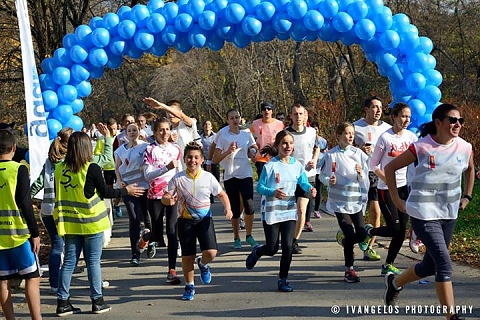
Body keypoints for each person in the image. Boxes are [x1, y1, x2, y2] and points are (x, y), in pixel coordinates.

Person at [383, 104, 474, 320]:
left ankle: (394, 282)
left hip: (449, 213)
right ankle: (451, 316)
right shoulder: (422, 147)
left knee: (430, 265)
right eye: (453, 120)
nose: (458, 124)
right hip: (423, 213)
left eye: (460, 121)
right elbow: (390, 168)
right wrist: (397, 200)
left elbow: (471, 169)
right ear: (438, 123)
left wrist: (467, 196)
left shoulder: (465, 147)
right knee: (443, 263)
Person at [54, 132, 144, 316]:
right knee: (93, 262)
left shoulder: (59, 168)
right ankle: (97, 301)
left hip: (69, 222)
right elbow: (104, 192)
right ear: (87, 148)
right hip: (91, 222)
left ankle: (62, 302)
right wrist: (125, 191)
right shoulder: (91, 168)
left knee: (69, 262)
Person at [31, 124, 114, 294]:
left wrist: (25, 198)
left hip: (47, 209)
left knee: (57, 246)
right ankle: (93, 287)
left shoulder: (51, 162)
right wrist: (107, 139)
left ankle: (55, 284)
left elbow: (39, 183)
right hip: (69, 212)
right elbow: (106, 159)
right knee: (88, 257)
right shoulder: (80, 162)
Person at [245, 130, 316, 292]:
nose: (288, 146)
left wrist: (311, 188)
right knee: (272, 249)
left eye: (291, 143)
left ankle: (283, 279)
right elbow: (260, 187)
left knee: (288, 246)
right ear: (278, 145)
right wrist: (273, 192)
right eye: (284, 143)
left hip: (289, 211)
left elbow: (303, 183)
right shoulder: (270, 165)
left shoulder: (297, 165)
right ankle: (258, 251)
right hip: (272, 212)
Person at [162, 142, 233, 300]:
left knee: (211, 253)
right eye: (189, 157)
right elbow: (166, 197)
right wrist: (169, 200)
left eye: (196, 157)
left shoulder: (208, 177)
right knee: (188, 256)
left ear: (201, 159)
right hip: (185, 221)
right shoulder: (177, 178)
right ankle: (189, 286)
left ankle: (203, 264)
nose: (192, 160)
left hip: (204, 220)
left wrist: (228, 209)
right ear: (184, 159)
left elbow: (222, 194)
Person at [368, 102, 418, 276]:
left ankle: (388, 263)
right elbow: (373, 164)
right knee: (394, 228)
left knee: (400, 231)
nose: (406, 120)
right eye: (403, 116)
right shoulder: (385, 138)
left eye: (409, 117)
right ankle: (370, 231)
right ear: (394, 116)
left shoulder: (412, 138)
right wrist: (387, 180)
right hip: (386, 189)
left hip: (405, 187)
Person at [320, 122, 370, 283]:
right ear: (339, 135)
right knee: (350, 233)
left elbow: (366, 178)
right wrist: (329, 181)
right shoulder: (331, 155)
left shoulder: (359, 154)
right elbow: (321, 176)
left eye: (352, 134)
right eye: (347, 133)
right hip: (339, 203)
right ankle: (349, 270)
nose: (350, 137)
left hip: (355, 201)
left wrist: (361, 173)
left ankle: (345, 241)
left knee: (361, 235)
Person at [0, 130, 42, 320]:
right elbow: (25, 203)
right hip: (19, 236)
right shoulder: (19, 169)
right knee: (32, 278)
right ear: (14, 148)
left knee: (3, 282)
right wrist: (35, 233)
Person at [140, 117, 182, 284]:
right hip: (155, 196)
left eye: (167, 129)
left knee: (172, 231)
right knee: (157, 234)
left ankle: (172, 270)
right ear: (155, 132)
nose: (165, 133)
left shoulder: (176, 149)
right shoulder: (150, 150)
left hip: (172, 195)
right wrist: (166, 168)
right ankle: (146, 237)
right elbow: (147, 175)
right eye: (161, 130)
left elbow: (180, 173)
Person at [212, 109, 258, 249]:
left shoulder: (246, 133)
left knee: (249, 205)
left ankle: (249, 235)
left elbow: (254, 147)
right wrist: (228, 151)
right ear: (227, 120)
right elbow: (215, 159)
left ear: (241, 119)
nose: (235, 120)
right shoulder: (223, 135)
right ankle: (236, 237)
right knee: (235, 208)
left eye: (237, 117)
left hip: (245, 172)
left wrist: (253, 152)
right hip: (230, 174)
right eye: (232, 118)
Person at [353, 96, 391, 261]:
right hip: (359, 174)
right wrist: (359, 149)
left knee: (376, 211)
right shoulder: (355, 127)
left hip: (378, 174)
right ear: (366, 109)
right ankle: (352, 237)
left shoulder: (388, 129)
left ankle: (369, 247)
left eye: (380, 107)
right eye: (375, 107)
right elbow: (344, 148)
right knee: (357, 212)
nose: (378, 110)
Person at [114, 123, 150, 266]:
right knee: (134, 218)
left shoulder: (145, 146)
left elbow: (153, 159)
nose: (132, 133)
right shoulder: (120, 150)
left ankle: (149, 240)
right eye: (129, 130)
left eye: (134, 130)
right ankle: (135, 254)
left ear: (139, 132)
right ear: (125, 133)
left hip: (144, 186)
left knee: (147, 218)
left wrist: (146, 166)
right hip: (128, 187)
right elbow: (116, 168)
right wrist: (119, 181)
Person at [286, 104, 319, 253]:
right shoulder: (285, 133)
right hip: (289, 177)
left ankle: (294, 241)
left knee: (301, 209)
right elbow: (278, 152)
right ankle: (286, 236)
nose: (298, 117)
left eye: (301, 114)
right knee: (288, 211)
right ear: (291, 116)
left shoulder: (312, 132)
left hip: (307, 176)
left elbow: (317, 147)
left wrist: (315, 159)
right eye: (295, 114)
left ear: (305, 116)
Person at [143, 98, 202, 162]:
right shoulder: (167, 129)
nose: (170, 114)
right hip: (176, 167)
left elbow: (181, 116)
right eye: (168, 112)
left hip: (191, 164)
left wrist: (162, 106)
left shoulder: (187, 124)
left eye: (172, 111)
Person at [95, 118, 123, 218]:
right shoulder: (102, 139)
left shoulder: (120, 137)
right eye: (110, 129)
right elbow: (97, 152)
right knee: (110, 189)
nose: (112, 131)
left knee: (121, 187)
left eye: (114, 128)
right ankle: (111, 207)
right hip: (108, 168)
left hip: (119, 168)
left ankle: (117, 204)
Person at [249, 101, 285, 178]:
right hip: (261, 157)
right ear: (261, 111)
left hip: (275, 156)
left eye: (269, 109)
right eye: (264, 109)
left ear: (272, 111)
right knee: (263, 181)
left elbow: (284, 138)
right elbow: (249, 137)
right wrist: (251, 150)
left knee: (276, 180)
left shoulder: (279, 124)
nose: (266, 111)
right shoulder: (255, 124)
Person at [310, 121, 328, 218]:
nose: (315, 131)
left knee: (319, 190)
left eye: (316, 129)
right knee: (309, 190)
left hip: (320, 169)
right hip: (309, 169)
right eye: (313, 129)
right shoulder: (307, 139)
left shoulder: (323, 141)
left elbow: (326, 154)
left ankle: (316, 209)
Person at [200, 120, 220, 203]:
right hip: (204, 162)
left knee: (216, 179)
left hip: (214, 161)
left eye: (209, 124)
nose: (207, 126)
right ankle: (209, 197)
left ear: (211, 127)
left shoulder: (216, 136)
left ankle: (217, 194)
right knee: (206, 180)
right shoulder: (199, 137)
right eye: (205, 124)